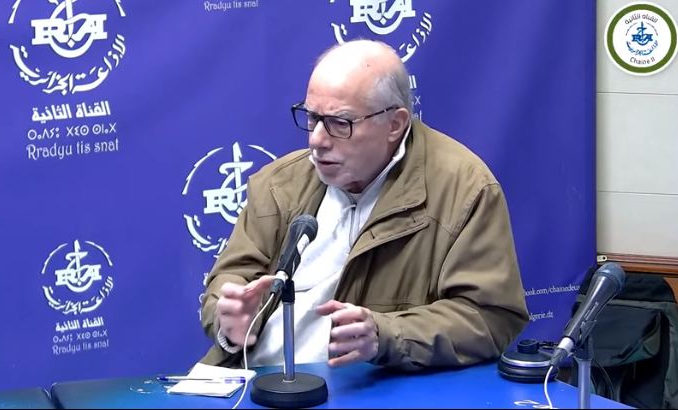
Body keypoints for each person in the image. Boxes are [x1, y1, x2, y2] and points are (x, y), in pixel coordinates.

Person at [199, 39, 528, 371]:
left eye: (340, 123)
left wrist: (386, 335)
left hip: (365, 385)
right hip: (252, 380)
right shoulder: (278, 183)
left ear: (395, 124)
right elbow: (230, 278)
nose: (316, 140)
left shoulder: (464, 189)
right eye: (312, 117)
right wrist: (228, 317)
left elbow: (489, 317)